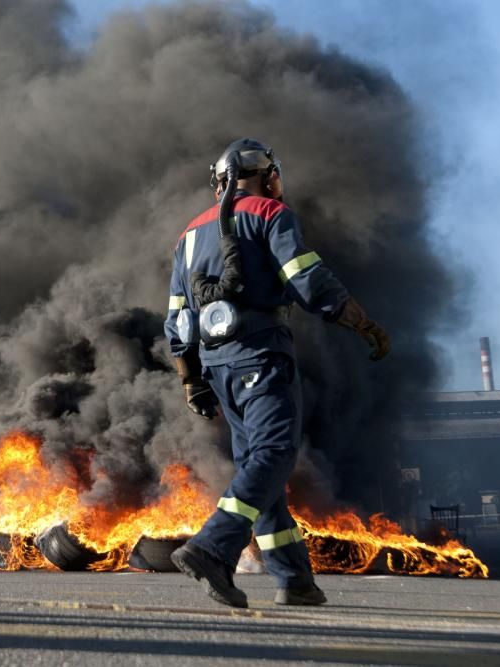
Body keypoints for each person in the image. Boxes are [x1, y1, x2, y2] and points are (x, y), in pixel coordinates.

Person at [165, 139, 389, 608]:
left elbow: (178, 317)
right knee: (274, 454)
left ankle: (294, 580)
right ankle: (212, 547)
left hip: (217, 365)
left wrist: (191, 379)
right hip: (260, 356)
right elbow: (306, 278)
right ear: (267, 175)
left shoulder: (189, 235)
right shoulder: (270, 214)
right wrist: (360, 321)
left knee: (258, 467)